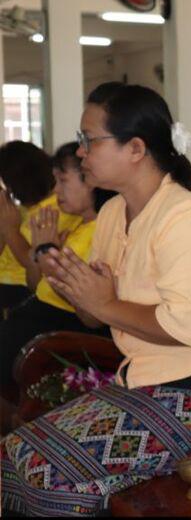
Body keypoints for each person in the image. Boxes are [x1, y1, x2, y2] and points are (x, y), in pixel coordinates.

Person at [1, 83, 191, 517]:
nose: (81, 151)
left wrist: (103, 303)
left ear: (136, 148)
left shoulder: (189, 218)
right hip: (145, 385)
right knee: (11, 455)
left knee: (48, 477)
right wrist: (75, 287)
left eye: (90, 139)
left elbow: (188, 328)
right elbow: (94, 317)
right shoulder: (111, 214)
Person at [0, 143, 115, 392]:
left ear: (91, 180)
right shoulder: (78, 227)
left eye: (63, 180)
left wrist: (45, 252)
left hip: (58, 329)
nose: (55, 190)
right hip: (35, 315)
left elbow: (87, 310)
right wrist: (40, 254)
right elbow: (36, 285)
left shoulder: (101, 231)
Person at [0, 141, 82, 314]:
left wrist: (10, 231)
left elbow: (35, 259)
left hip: (18, 286)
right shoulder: (24, 208)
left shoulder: (59, 208)